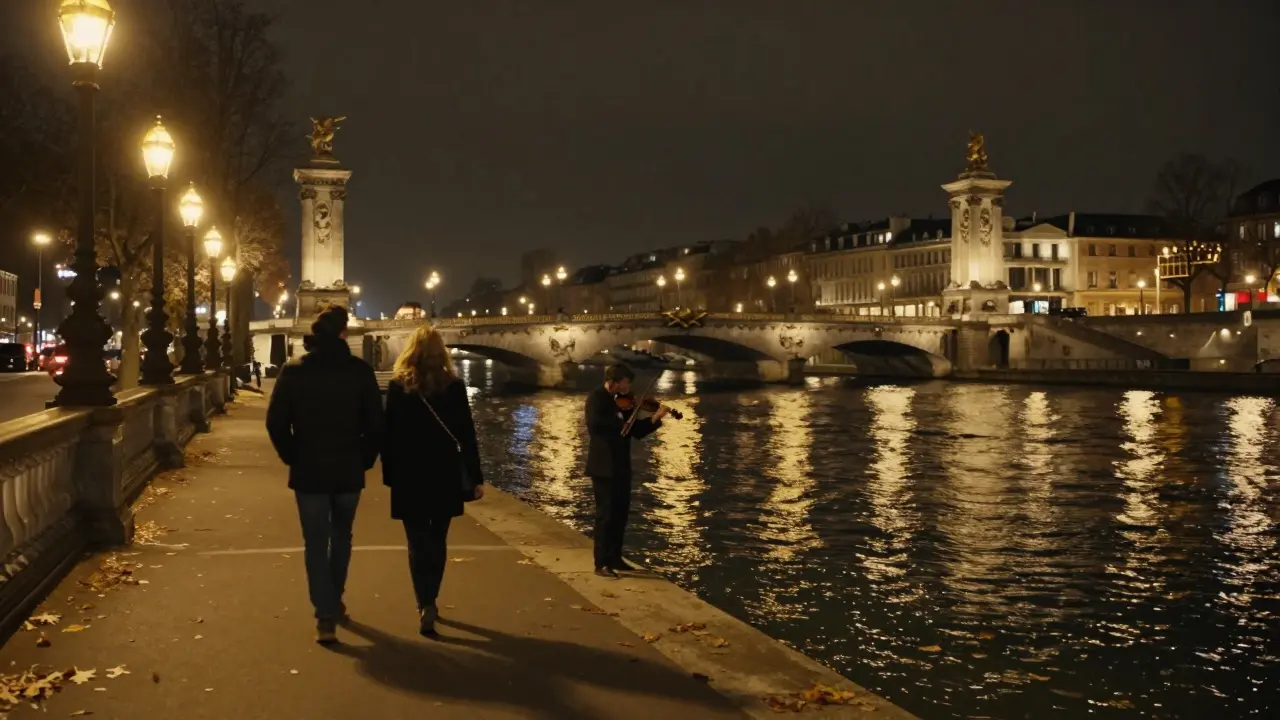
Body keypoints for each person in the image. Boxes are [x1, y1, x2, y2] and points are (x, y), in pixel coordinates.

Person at [266, 306, 383, 644]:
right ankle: (334, 600)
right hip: (347, 468)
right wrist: (365, 458)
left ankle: (325, 613)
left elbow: (276, 422)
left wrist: (293, 455)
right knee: (342, 536)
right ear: (344, 334)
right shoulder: (360, 371)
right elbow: (376, 423)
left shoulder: (294, 371)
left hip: (310, 470)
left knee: (316, 542)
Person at [382, 325, 485, 637]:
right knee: (438, 539)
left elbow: (389, 436)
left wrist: (389, 476)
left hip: (409, 475)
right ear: (441, 352)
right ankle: (433, 598)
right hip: (444, 473)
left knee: (416, 541)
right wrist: (476, 477)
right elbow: (467, 435)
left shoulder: (400, 387)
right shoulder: (454, 386)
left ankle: (423, 601)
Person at [585, 363, 667, 578]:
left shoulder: (624, 403)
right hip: (603, 466)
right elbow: (594, 425)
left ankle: (615, 557)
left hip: (621, 465)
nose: (628, 387)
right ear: (614, 381)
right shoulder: (597, 398)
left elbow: (636, 431)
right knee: (606, 515)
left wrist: (655, 419)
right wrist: (620, 420)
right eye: (625, 382)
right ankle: (600, 562)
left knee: (620, 513)